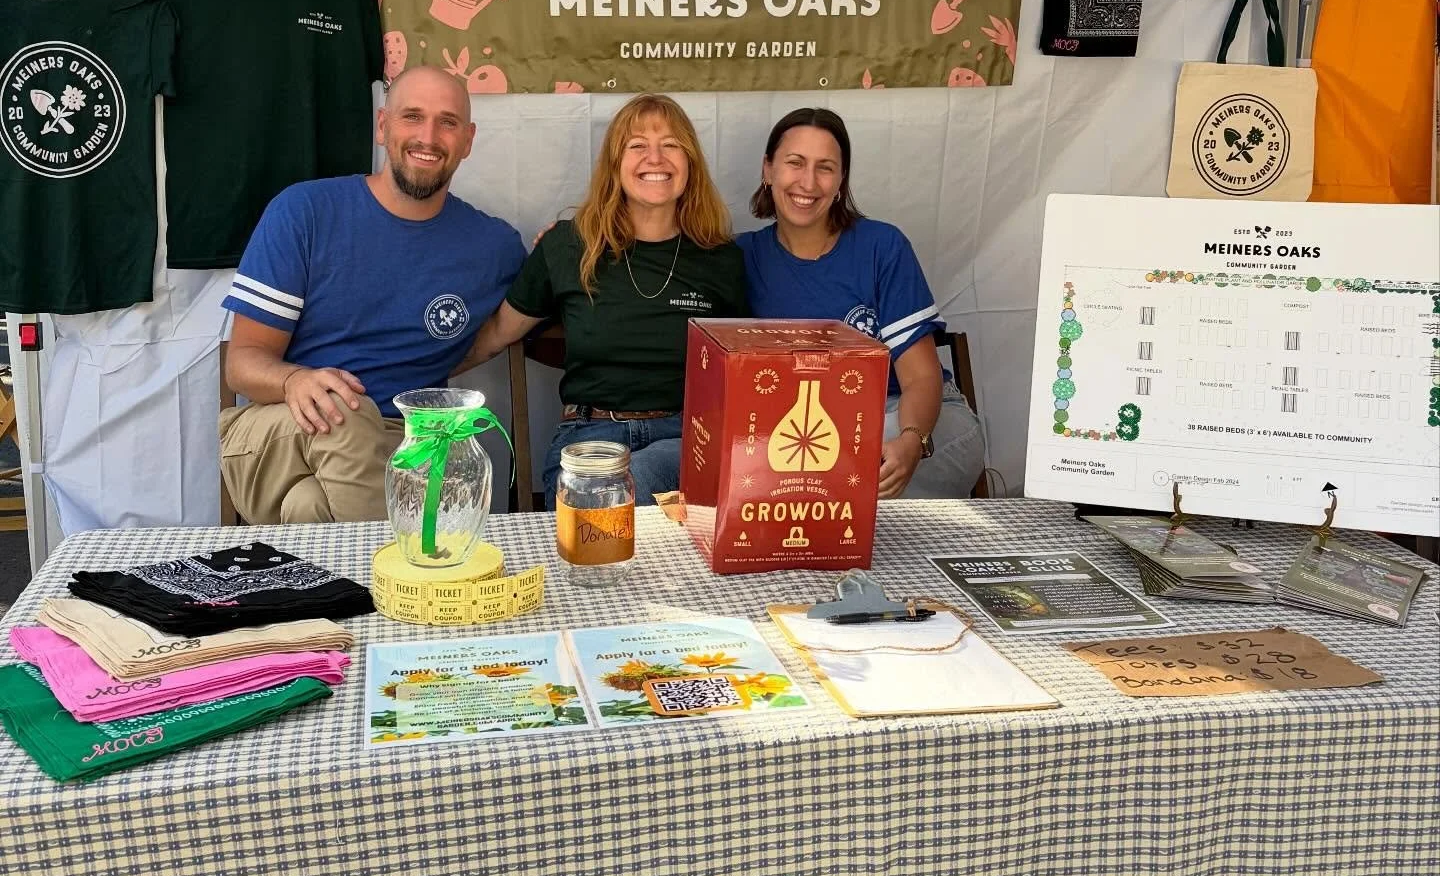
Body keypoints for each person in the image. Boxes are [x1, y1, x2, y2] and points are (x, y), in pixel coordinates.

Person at [219, 65, 525, 523]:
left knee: (308, 507)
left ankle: (342, 589)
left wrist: (559, 248)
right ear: (383, 126)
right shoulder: (305, 212)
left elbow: (514, 316)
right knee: (348, 413)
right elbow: (242, 363)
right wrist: (294, 380)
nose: (428, 136)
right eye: (412, 117)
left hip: (400, 442)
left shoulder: (492, 247)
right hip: (279, 429)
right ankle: (395, 579)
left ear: (468, 139)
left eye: (447, 122)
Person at [468, 94, 747, 506]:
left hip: (687, 438)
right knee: (602, 493)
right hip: (589, 436)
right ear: (615, 165)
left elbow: (742, 372)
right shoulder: (567, 246)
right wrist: (412, 376)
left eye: (671, 145)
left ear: (690, 163)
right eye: (636, 146)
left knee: (642, 474)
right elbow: (496, 333)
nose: (655, 158)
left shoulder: (721, 259)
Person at [739, 106, 986, 499]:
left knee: (849, 462)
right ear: (768, 170)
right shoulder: (742, 258)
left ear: (841, 182)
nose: (808, 182)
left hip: (909, 419)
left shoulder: (881, 247)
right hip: (806, 433)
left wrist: (911, 441)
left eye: (825, 167)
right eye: (794, 163)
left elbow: (921, 378)